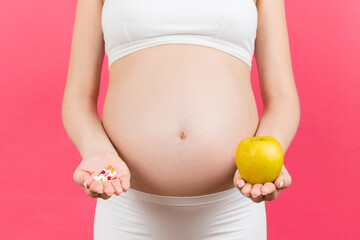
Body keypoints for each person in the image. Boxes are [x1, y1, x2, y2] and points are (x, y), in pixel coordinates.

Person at [62, 0, 299, 239]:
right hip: (128, 211)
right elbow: (78, 97)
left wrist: (270, 155)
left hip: (231, 214)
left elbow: (282, 97)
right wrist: (96, 150)